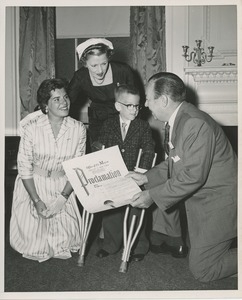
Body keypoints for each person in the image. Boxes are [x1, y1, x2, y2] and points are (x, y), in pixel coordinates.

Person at [127, 72, 237, 282]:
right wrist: (146, 178)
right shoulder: (180, 119)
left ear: (164, 100)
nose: (147, 104)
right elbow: (175, 161)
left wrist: (152, 196)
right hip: (205, 201)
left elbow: (192, 176)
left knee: (203, 270)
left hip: (221, 202)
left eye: (149, 99)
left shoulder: (193, 123)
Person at [10, 78, 86, 262]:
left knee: (68, 242)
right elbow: (24, 167)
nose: (64, 102)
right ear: (45, 105)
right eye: (56, 99)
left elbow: (77, 168)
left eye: (65, 97)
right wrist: (36, 200)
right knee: (34, 244)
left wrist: (63, 197)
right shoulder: (31, 128)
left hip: (64, 185)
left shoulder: (78, 129)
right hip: (34, 185)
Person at [95, 84, 155, 262]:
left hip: (133, 175)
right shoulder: (109, 124)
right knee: (111, 211)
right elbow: (100, 144)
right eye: (130, 105)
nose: (135, 109)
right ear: (118, 106)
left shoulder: (143, 126)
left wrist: (141, 171)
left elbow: (149, 150)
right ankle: (110, 244)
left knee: (136, 210)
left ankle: (138, 246)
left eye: (137, 105)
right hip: (113, 175)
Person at [67, 38, 135, 150]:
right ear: (85, 63)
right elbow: (68, 102)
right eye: (94, 66)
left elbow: (135, 101)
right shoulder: (81, 77)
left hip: (124, 116)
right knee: (100, 154)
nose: (100, 70)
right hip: (98, 119)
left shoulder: (122, 71)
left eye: (104, 64)